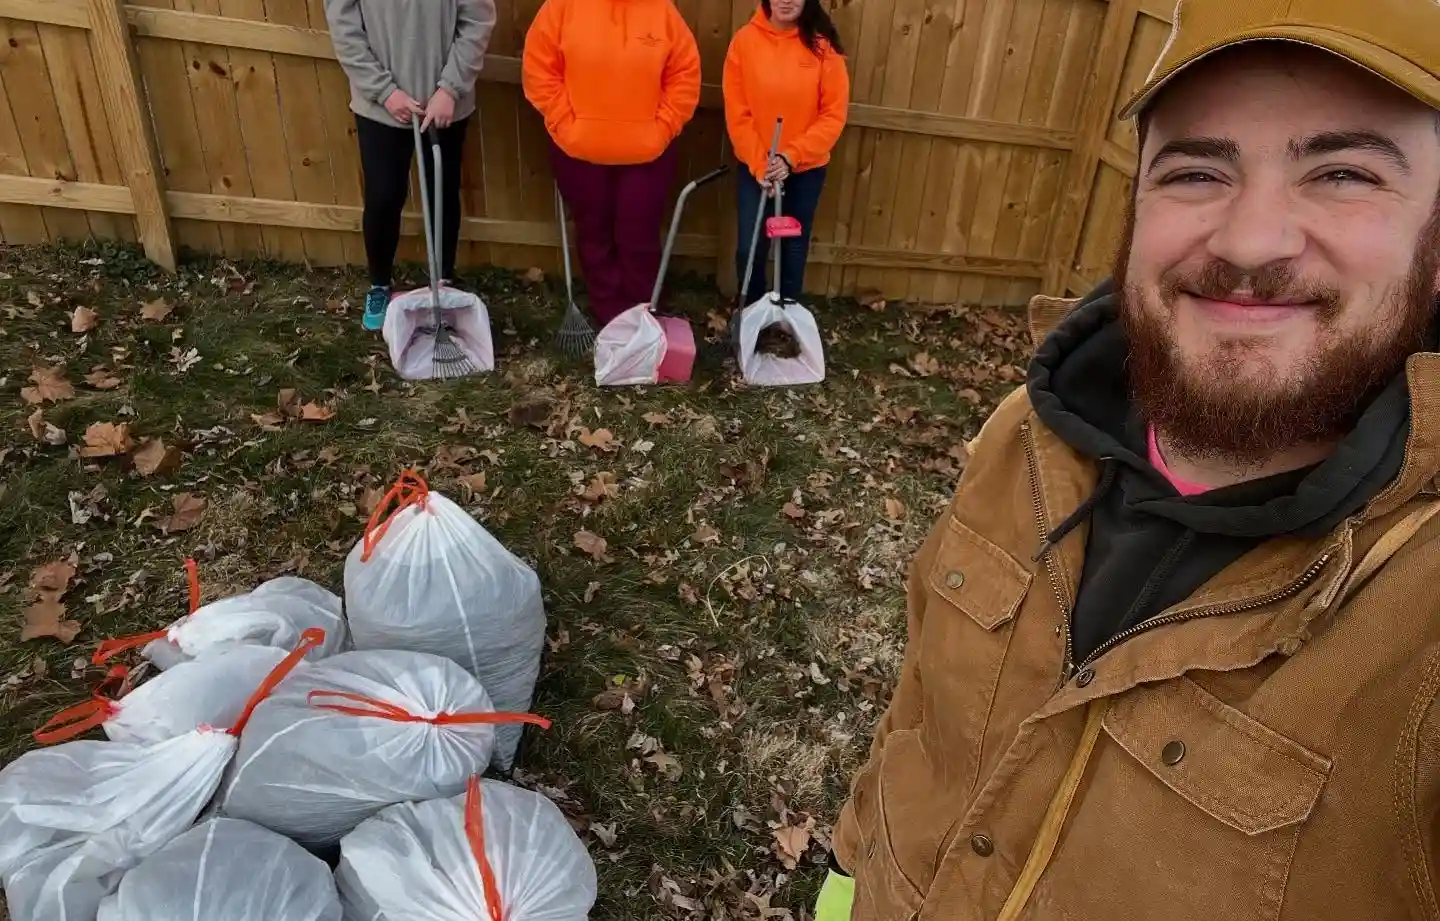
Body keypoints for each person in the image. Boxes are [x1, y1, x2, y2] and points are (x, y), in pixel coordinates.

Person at [818, 1, 1440, 919]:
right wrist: (847, 872)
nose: (1248, 241)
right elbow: (920, 713)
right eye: (1196, 170)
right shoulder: (1024, 437)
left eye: (1342, 173)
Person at [521, 0, 701, 327]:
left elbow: (684, 75)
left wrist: (661, 129)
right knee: (594, 234)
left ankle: (643, 315)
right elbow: (539, 68)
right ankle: (610, 318)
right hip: (579, 151)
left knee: (638, 234)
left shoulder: (662, 12)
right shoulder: (561, 8)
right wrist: (567, 124)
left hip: (647, 154)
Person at [324, 0, 496, 331]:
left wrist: (450, 89)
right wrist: (384, 91)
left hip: (444, 105)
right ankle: (379, 285)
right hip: (381, 107)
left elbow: (477, 21)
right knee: (383, 197)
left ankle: (442, 282)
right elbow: (344, 28)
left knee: (442, 192)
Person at [723, 0, 848, 312]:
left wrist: (791, 157)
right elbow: (737, 112)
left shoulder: (823, 49)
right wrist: (760, 164)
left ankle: (787, 314)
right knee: (749, 247)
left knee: (793, 245)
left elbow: (833, 115)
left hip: (804, 169)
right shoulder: (744, 42)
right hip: (758, 169)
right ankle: (751, 312)